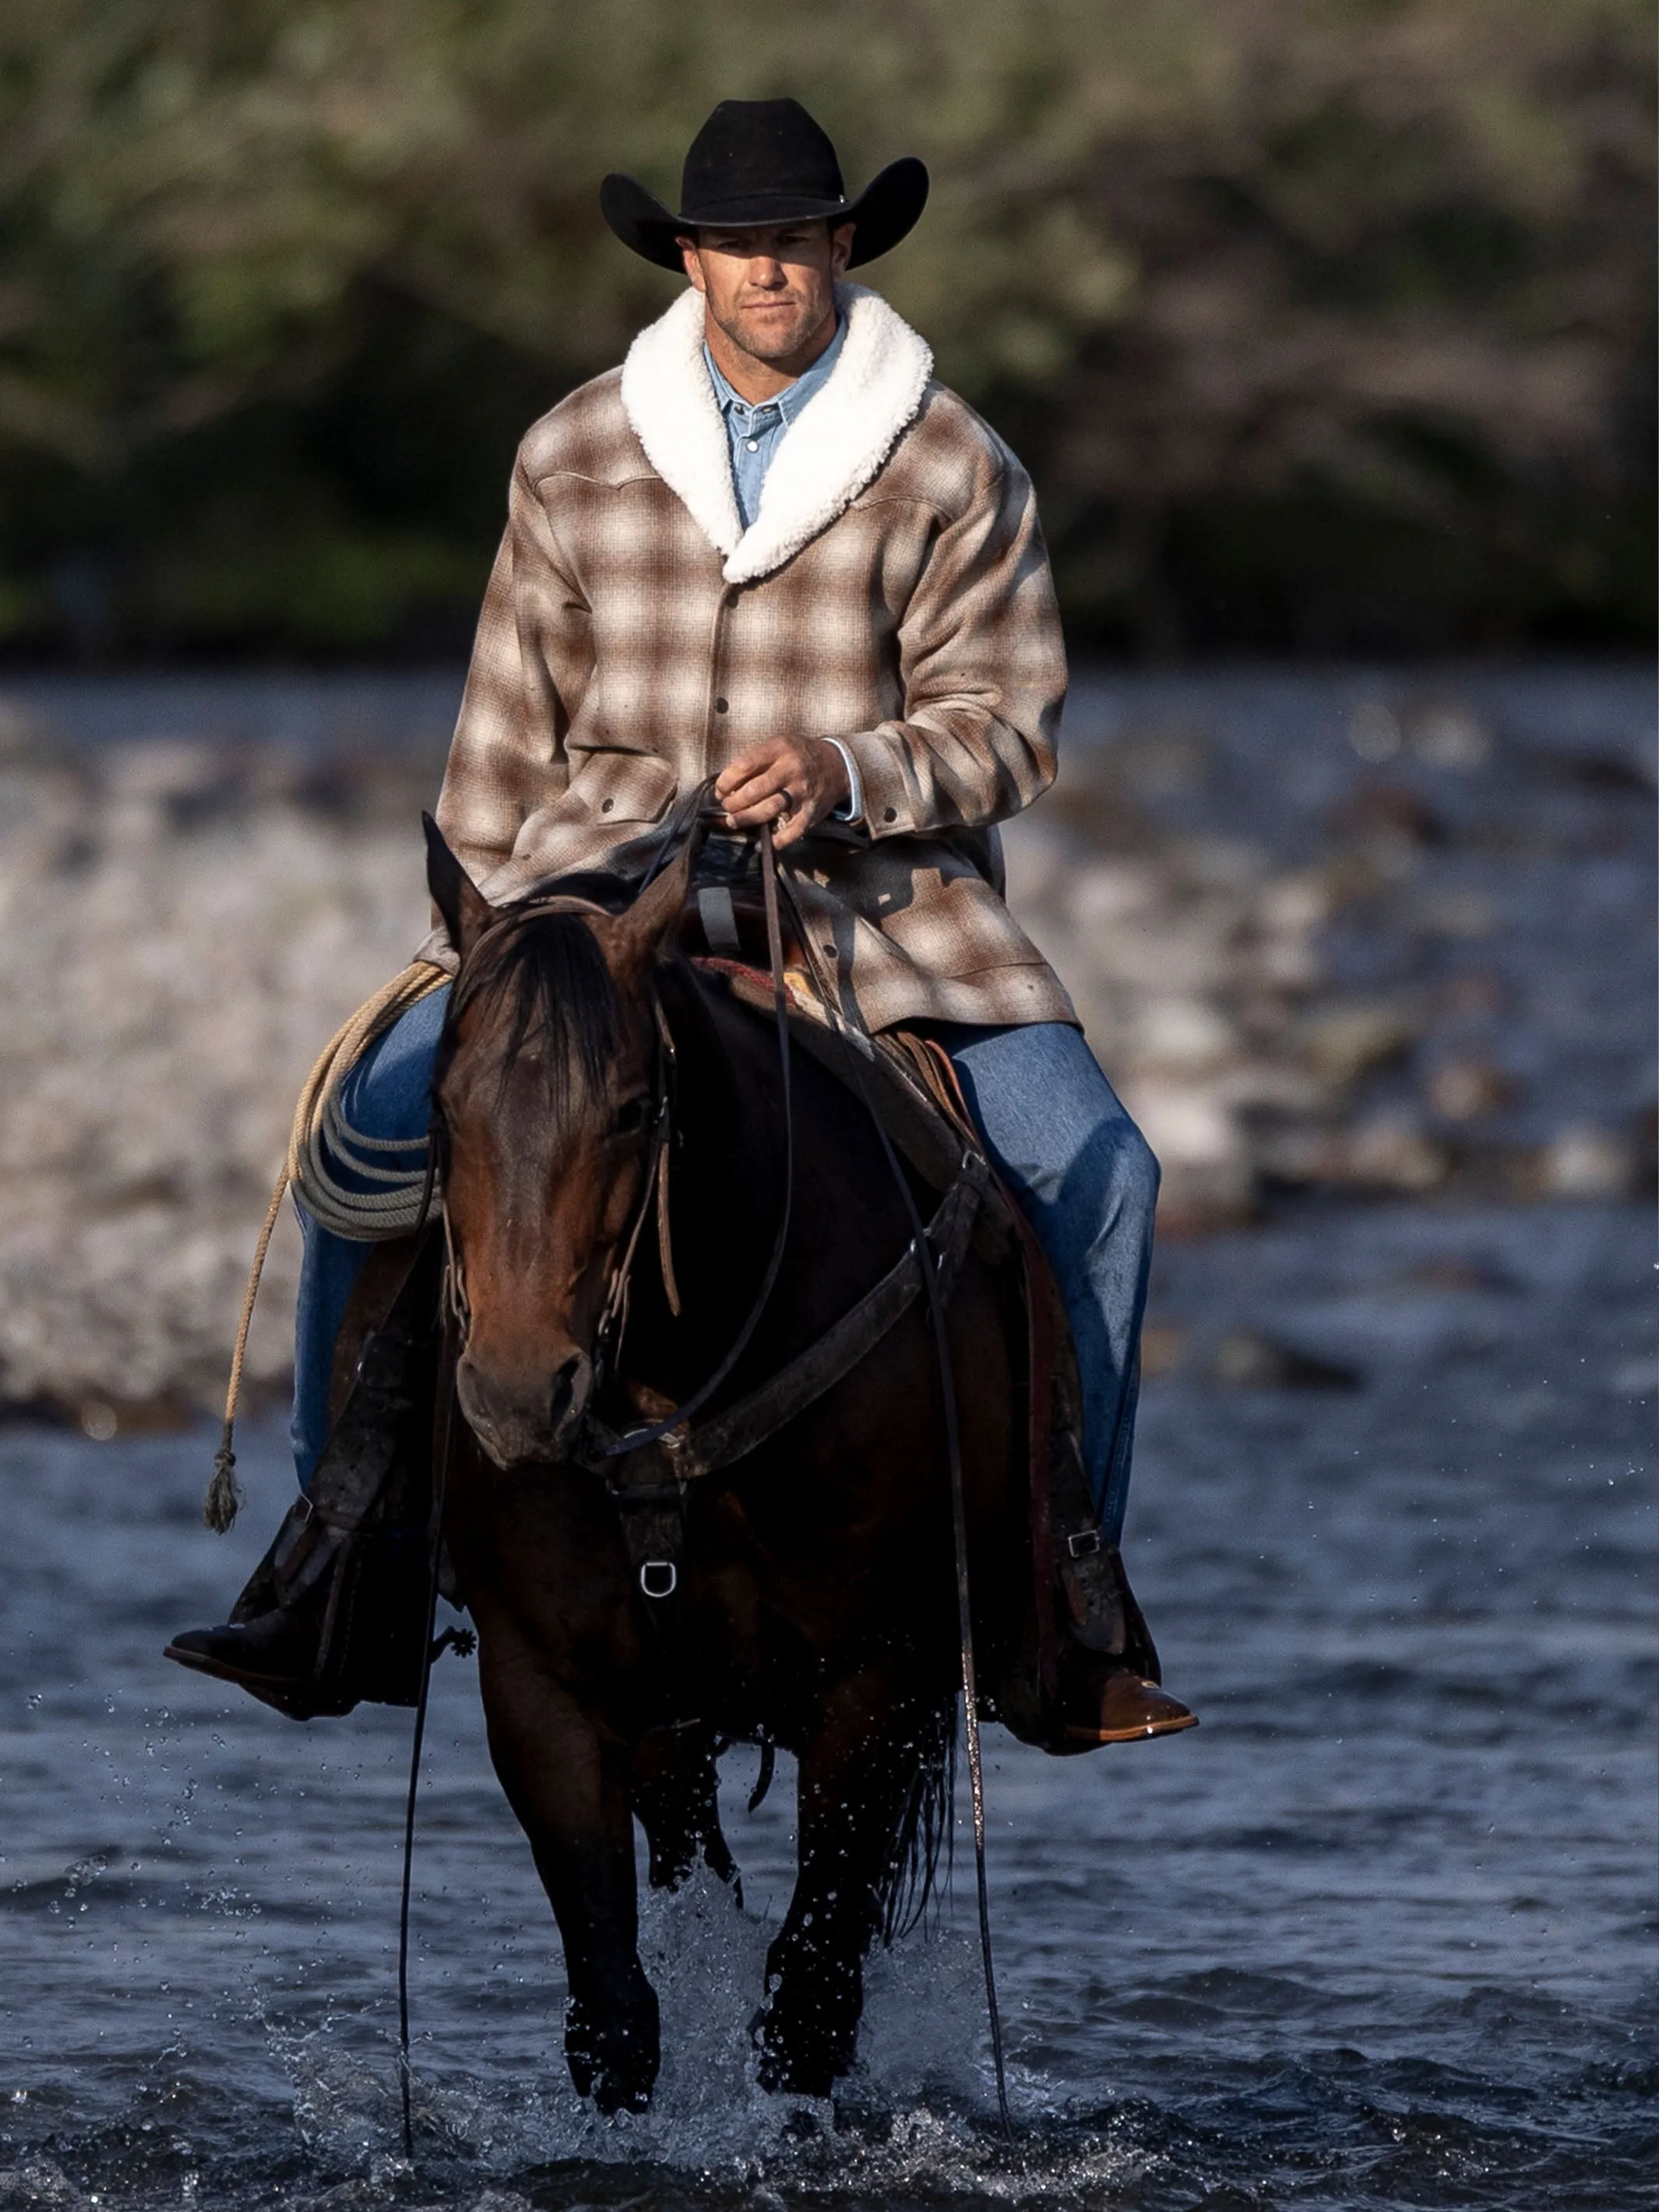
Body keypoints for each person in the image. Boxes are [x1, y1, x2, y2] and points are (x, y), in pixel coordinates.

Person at [169, 99, 1196, 1745]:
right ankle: (337, 1547)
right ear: (691, 257)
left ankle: (1060, 1601)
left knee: (1103, 1173)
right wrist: (493, 953)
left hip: (879, 915)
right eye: (739, 242)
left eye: (797, 238)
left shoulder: (951, 461)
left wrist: (853, 767)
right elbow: (501, 740)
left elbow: (1014, 724)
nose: (768, 267)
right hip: (582, 903)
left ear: (843, 247)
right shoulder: (571, 451)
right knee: (360, 1132)